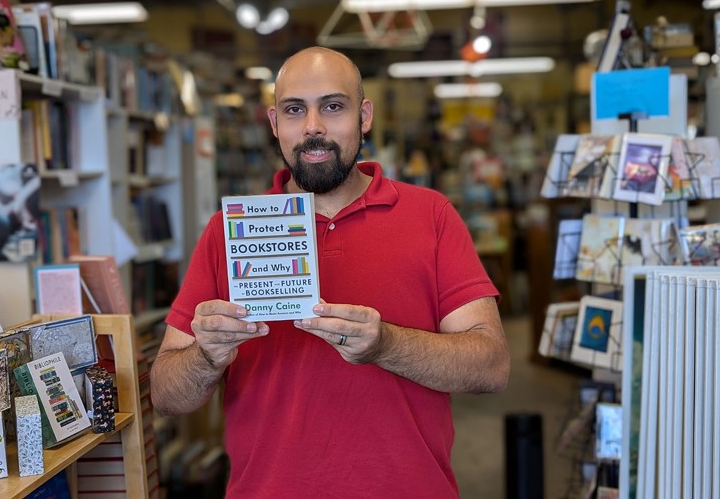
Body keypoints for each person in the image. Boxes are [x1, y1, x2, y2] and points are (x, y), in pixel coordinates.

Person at [151, 46, 510, 498]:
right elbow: (165, 396)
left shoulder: (431, 216)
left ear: (364, 117)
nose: (313, 127)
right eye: (295, 110)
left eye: (333, 107)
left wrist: (385, 345)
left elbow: (491, 366)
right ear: (274, 123)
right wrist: (206, 356)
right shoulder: (230, 232)